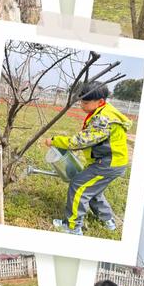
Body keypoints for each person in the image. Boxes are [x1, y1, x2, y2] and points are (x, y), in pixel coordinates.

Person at [45, 81, 132, 236]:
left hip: (108, 164)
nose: (81, 105)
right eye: (81, 101)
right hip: (111, 162)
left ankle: (72, 227)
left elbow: (80, 141)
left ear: (100, 101)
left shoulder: (104, 119)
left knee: (78, 186)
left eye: (85, 102)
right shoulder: (103, 111)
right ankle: (108, 221)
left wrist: (54, 141)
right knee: (92, 190)